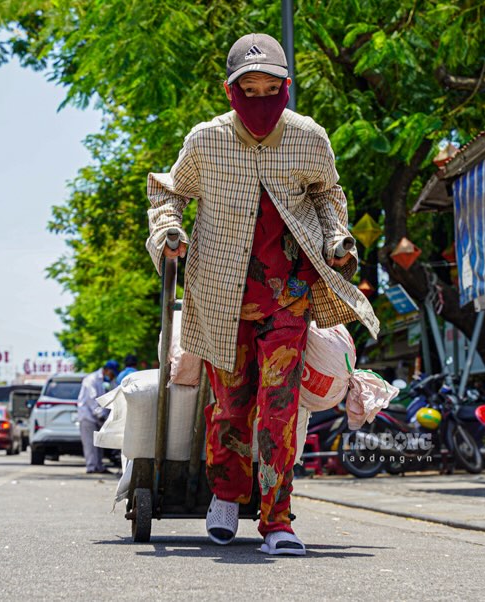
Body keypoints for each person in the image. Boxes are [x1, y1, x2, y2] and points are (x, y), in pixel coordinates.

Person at [146, 33, 378, 555]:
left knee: (278, 405)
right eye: (247, 88)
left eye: (268, 87)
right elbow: (169, 192)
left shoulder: (308, 137)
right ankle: (226, 497)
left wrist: (338, 237)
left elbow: (327, 194)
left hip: (289, 295)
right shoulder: (206, 139)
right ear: (231, 91)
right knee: (231, 404)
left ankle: (277, 520)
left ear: (285, 88)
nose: (259, 99)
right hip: (220, 294)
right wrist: (167, 234)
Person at [78, 359, 119, 474]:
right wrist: (100, 415)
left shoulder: (107, 381)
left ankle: (99, 466)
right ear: (106, 370)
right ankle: (91, 467)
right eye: (112, 373)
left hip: (100, 417)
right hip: (88, 416)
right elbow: (92, 399)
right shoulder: (91, 380)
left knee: (99, 443)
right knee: (90, 443)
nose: (112, 376)